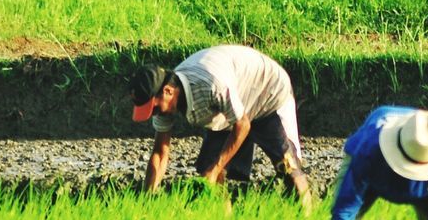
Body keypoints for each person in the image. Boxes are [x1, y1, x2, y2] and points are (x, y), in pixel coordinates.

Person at [130, 45, 311, 206]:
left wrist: (215, 170)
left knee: (287, 167)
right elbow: (160, 153)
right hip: (230, 107)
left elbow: (243, 124)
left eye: (154, 108)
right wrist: (147, 200)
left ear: (168, 91)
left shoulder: (211, 85)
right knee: (208, 175)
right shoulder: (165, 103)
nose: (155, 114)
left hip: (266, 91)